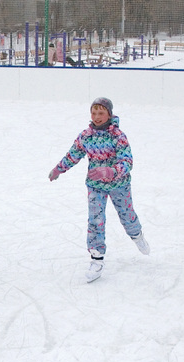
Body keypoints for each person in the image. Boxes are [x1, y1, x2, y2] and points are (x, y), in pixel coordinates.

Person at [48, 97, 150, 283]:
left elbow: (127, 161)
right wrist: (59, 169)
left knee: (127, 215)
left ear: (109, 114)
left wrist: (111, 170)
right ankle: (96, 258)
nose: (97, 117)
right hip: (95, 186)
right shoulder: (86, 136)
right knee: (95, 220)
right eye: (94, 113)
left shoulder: (118, 136)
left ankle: (136, 234)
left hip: (119, 184)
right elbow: (73, 154)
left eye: (101, 113)